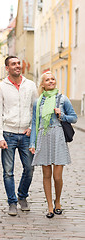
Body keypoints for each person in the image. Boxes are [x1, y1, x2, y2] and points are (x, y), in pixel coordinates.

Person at [29, 71, 77, 218]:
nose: (51, 81)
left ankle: (58, 201)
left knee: (57, 177)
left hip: (58, 138)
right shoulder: (38, 102)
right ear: (42, 84)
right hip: (43, 138)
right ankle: (50, 206)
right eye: (47, 80)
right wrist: (32, 143)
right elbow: (34, 123)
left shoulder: (63, 99)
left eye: (53, 79)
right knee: (46, 175)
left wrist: (61, 115)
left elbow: (74, 118)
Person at [0, 56, 38, 216]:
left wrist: (32, 128)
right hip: (8, 133)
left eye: (19, 63)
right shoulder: (0, 87)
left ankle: (22, 196)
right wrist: (0, 137)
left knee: (30, 168)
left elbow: (36, 110)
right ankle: (12, 202)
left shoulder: (30, 85)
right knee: (8, 171)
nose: (17, 66)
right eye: (13, 64)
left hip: (26, 134)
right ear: (7, 68)